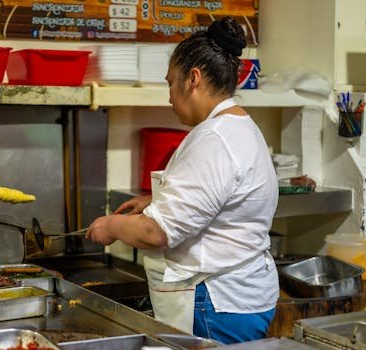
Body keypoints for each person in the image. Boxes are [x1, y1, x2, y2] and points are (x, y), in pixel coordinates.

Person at [86, 16, 279, 345]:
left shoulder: (215, 139)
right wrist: (157, 200)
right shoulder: (238, 126)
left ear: (194, 78)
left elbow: (156, 232)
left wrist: (110, 226)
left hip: (217, 304)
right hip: (237, 297)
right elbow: (218, 197)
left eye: (170, 82)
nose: (169, 96)